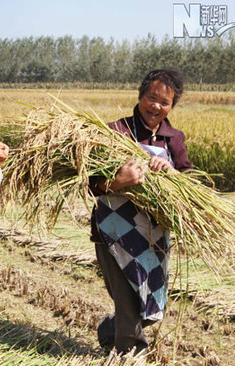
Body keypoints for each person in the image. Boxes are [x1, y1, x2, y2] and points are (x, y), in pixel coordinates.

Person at [89, 69, 193, 354]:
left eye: (165, 102)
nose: (156, 106)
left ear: (172, 106)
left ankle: (110, 328)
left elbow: (189, 179)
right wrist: (117, 182)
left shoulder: (174, 139)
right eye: (151, 98)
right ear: (140, 96)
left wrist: (172, 173)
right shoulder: (116, 131)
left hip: (153, 237)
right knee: (128, 303)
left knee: (148, 306)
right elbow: (88, 183)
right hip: (112, 232)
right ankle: (130, 354)